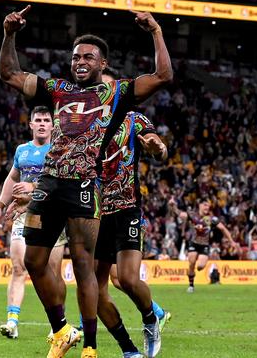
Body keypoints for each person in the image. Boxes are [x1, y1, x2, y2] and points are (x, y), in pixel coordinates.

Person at [0, 5, 172, 358]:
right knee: (33, 261)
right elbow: (10, 74)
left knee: (86, 268)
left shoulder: (118, 95)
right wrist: (9, 34)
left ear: (102, 64)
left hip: (86, 187)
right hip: (48, 184)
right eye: (76, 56)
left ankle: (91, 347)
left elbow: (163, 76)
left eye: (89, 57)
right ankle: (62, 329)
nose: (80, 61)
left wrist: (155, 31)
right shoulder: (56, 89)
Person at [95, 68, 170, 358]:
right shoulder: (83, 123)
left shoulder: (134, 118)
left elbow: (158, 149)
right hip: (92, 213)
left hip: (126, 208)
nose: (101, 93)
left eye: (107, 88)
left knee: (126, 279)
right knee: (94, 289)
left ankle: (151, 318)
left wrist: (158, 148)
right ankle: (128, 349)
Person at [0, 106, 68, 340]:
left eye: (47, 120)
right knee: (18, 266)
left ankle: (58, 324)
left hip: (53, 215)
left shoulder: (59, 150)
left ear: (53, 125)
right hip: (26, 215)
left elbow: (62, 183)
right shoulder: (22, 151)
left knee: (53, 272)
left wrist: (32, 188)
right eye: (38, 120)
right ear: (31, 124)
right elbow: (12, 178)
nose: (43, 123)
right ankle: (12, 322)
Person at [168, 198, 237, 293]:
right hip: (193, 243)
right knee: (191, 262)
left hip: (204, 245)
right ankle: (191, 285)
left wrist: (231, 241)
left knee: (200, 266)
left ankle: (194, 273)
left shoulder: (212, 219)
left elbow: (223, 229)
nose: (207, 207)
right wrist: (173, 206)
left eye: (208, 206)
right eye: (205, 205)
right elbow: (180, 214)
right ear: (199, 205)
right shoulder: (192, 215)